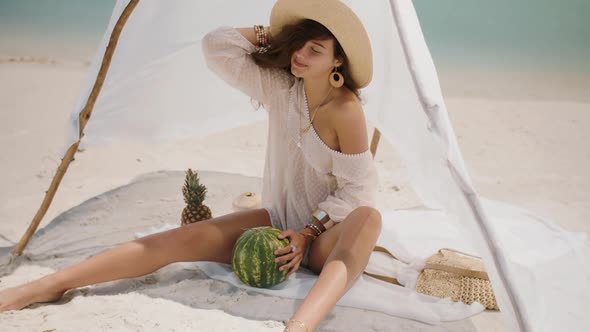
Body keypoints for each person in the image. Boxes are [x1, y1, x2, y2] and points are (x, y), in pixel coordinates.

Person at [0, 1, 381, 331]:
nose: (301, 54)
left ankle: (299, 327)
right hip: (278, 221)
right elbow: (217, 46)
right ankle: (51, 286)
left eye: (315, 49)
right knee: (175, 240)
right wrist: (279, 33)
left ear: (338, 61)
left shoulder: (345, 110)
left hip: (323, 238)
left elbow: (356, 191)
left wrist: (308, 233)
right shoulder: (281, 88)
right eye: (299, 44)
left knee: (368, 217)